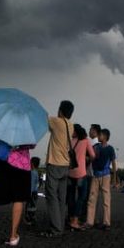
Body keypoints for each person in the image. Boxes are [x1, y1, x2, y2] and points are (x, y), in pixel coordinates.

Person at [40, 100, 75, 238]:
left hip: (55, 164)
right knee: (61, 198)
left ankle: (55, 228)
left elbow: (43, 118)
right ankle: (59, 226)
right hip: (65, 165)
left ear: (60, 110)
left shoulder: (56, 121)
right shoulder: (70, 125)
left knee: (51, 196)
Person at [85, 128, 117, 230]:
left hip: (106, 175)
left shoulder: (110, 149)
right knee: (91, 199)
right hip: (96, 175)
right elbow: (91, 158)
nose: (98, 136)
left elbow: (113, 163)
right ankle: (90, 222)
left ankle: (106, 223)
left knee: (106, 200)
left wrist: (114, 178)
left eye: (100, 135)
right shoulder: (95, 147)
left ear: (106, 137)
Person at [67, 124, 95, 230]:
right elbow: (92, 155)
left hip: (70, 172)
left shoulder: (70, 141)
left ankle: (70, 218)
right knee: (81, 197)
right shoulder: (86, 141)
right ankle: (75, 220)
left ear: (75, 131)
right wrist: (87, 159)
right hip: (81, 173)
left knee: (70, 197)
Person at [24, 157, 41, 225]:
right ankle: (32, 217)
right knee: (33, 205)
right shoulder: (36, 172)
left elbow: (31, 184)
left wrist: (29, 193)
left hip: (31, 192)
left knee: (29, 206)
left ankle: (29, 219)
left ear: (32, 163)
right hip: (35, 192)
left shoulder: (32, 173)